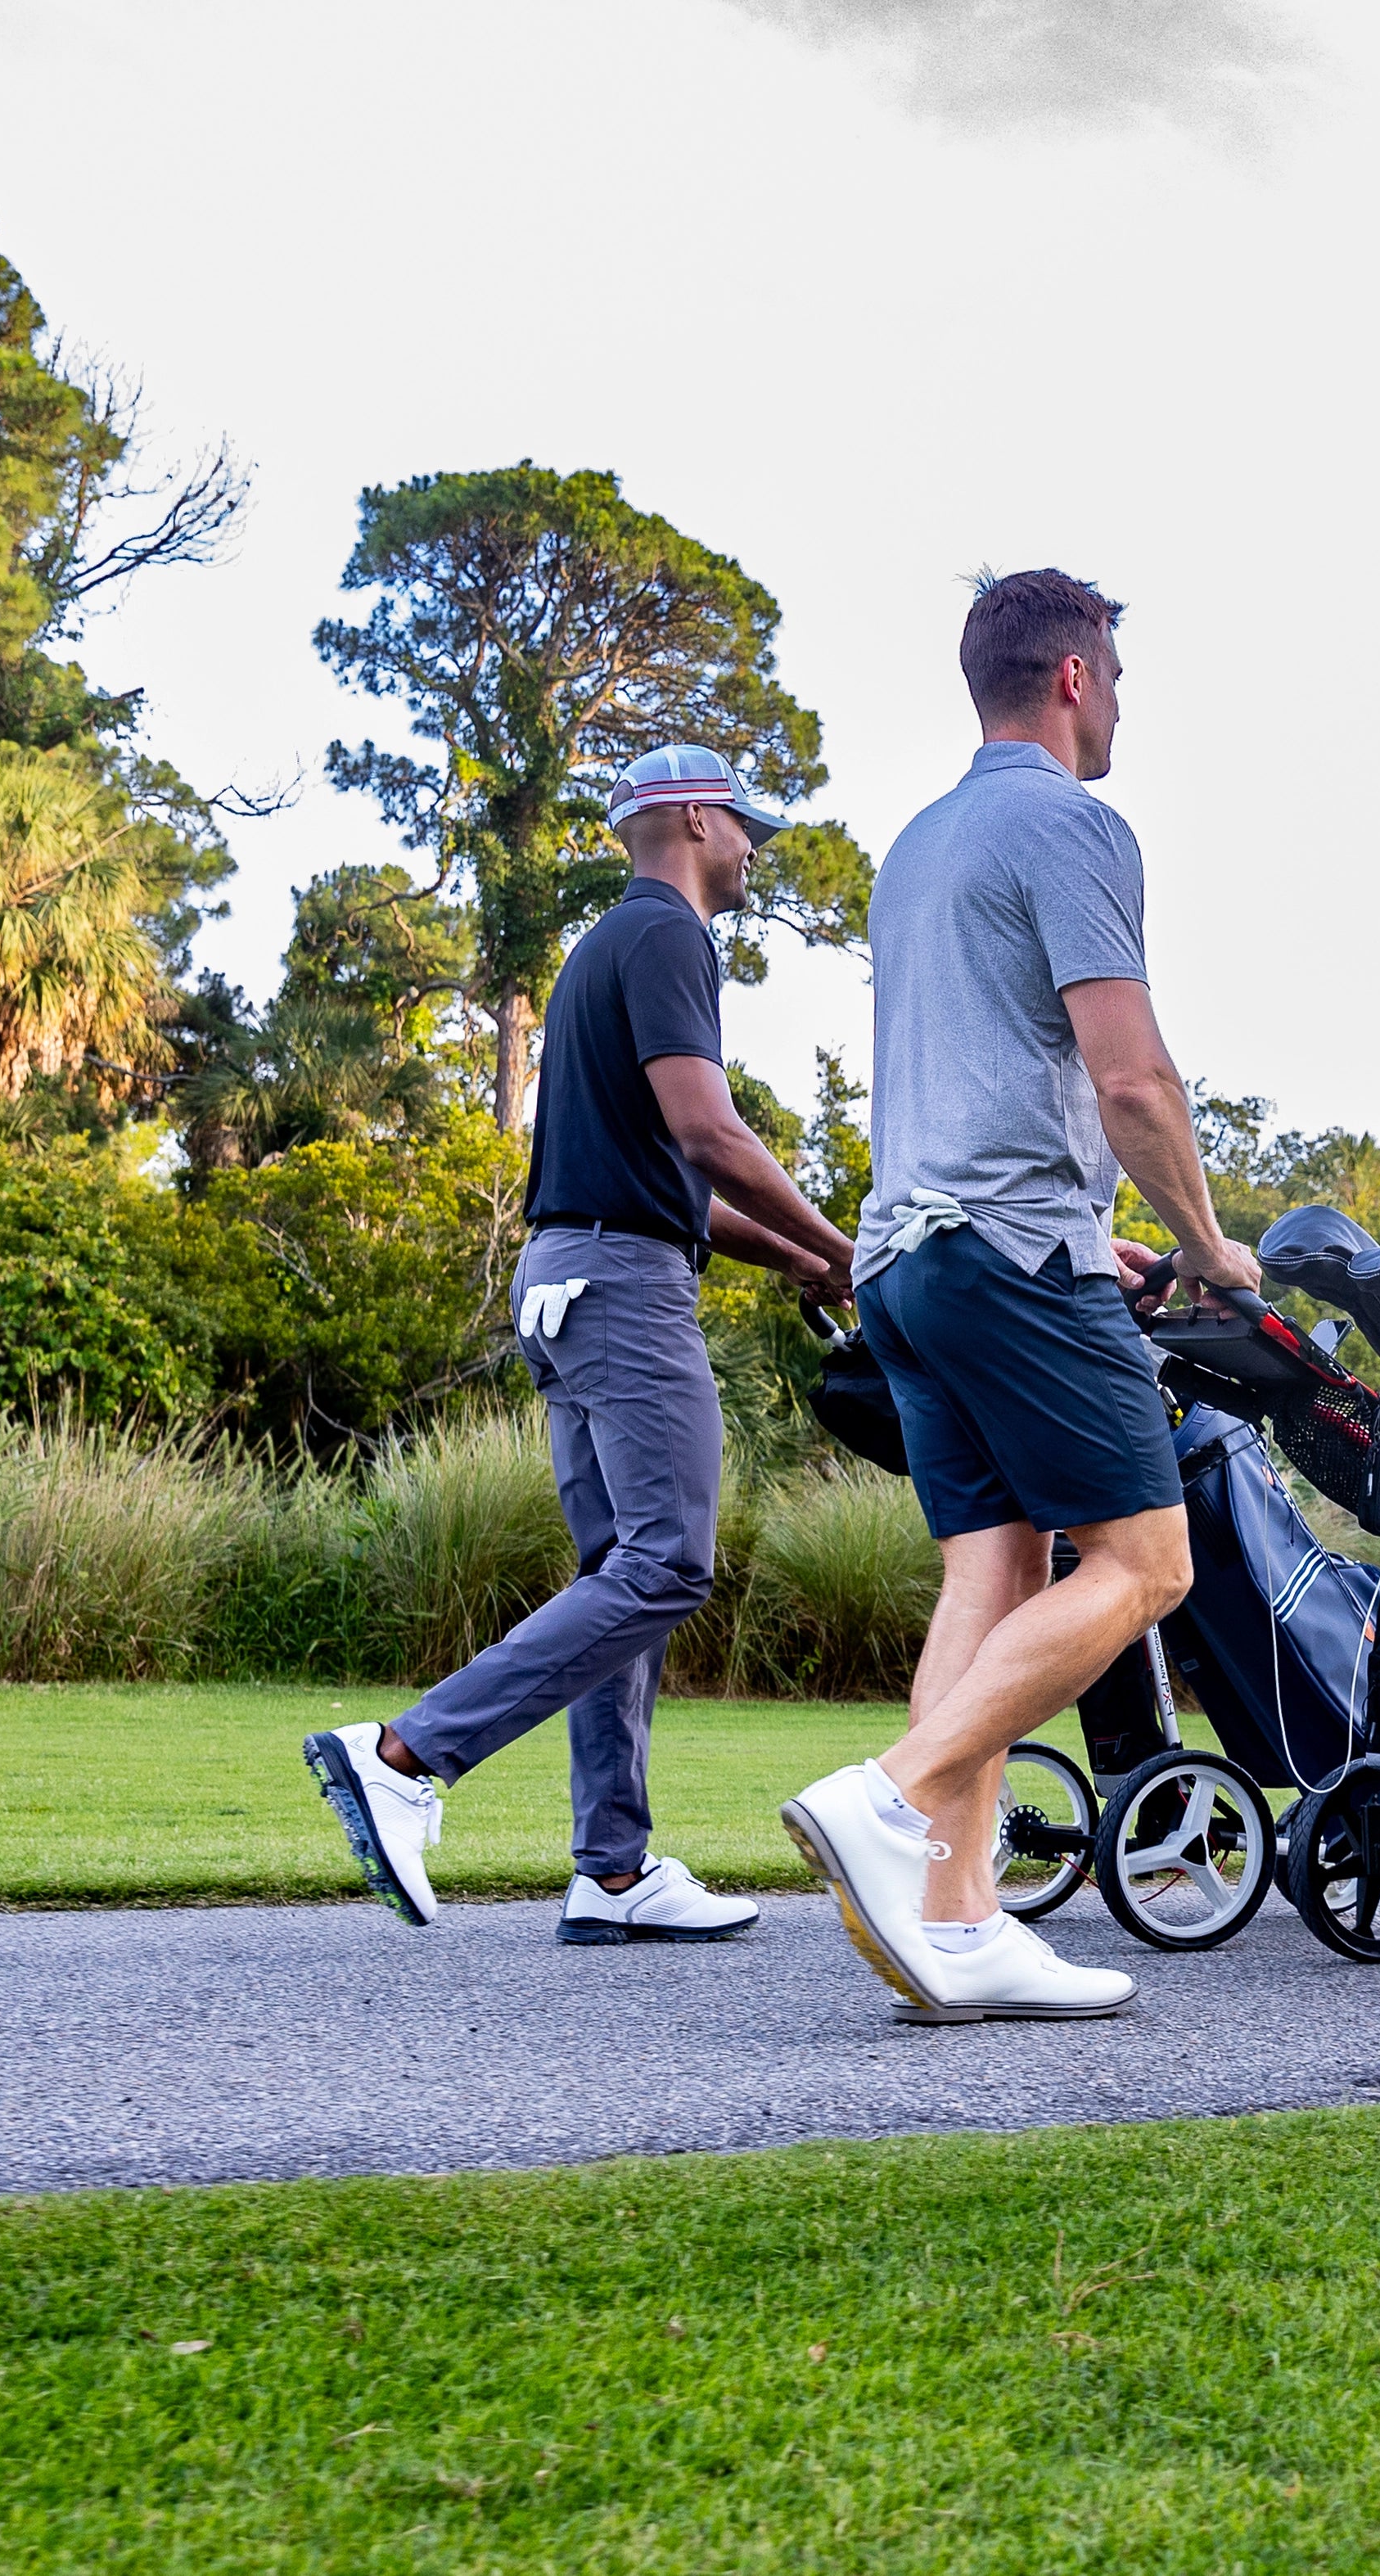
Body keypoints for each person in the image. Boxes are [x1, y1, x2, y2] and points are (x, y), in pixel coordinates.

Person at [777, 570, 1259, 2023]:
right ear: (1070, 676)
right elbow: (1130, 1076)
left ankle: (959, 1916)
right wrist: (1206, 1240)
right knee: (1149, 1567)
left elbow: (984, 1075)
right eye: (1113, 677)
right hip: (1008, 1255)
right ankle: (895, 1794)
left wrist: (1079, 1224)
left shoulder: (918, 846)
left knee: (994, 1574)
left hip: (905, 1266)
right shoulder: (1071, 824)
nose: (1118, 706)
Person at [306, 743, 859, 1944]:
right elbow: (709, 1136)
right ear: (696, 819)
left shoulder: (596, 953)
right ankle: (406, 1755)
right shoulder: (668, 936)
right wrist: (848, 1247)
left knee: (622, 1572)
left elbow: (672, 1181)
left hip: (562, 1276)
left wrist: (803, 1259)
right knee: (667, 1566)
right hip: (619, 1288)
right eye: (745, 825)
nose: (755, 846)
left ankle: (612, 1871)